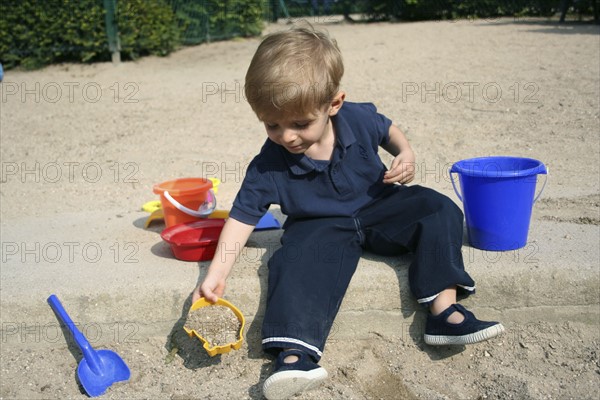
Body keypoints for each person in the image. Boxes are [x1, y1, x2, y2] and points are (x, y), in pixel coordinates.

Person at [192, 24, 504, 400]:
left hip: (380, 204)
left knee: (438, 209)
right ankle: (295, 354)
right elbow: (241, 218)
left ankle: (443, 312)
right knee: (295, 258)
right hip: (319, 226)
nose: (286, 136)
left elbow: (388, 128)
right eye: (271, 124)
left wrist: (405, 154)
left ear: (333, 104)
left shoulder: (355, 118)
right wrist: (216, 273)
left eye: (300, 124)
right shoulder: (268, 165)